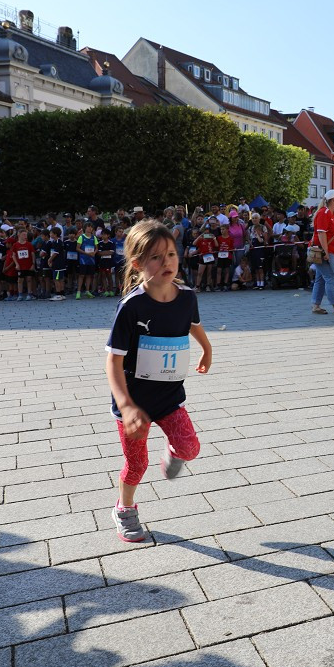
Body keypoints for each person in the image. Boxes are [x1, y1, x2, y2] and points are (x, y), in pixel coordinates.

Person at [105, 221, 211, 542]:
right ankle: (124, 509)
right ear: (137, 264)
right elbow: (113, 359)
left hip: (168, 398)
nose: (167, 262)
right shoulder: (131, 307)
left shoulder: (187, 297)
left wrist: (207, 348)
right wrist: (125, 405)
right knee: (137, 464)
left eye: (171, 254)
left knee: (190, 447)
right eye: (156, 257)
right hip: (134, 405)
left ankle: (173, 453)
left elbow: (194, 323)